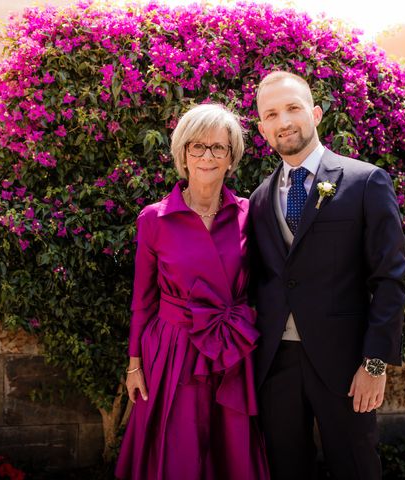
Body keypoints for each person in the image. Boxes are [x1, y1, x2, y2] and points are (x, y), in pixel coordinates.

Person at [249, 71, 405, 480]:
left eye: (293, 108)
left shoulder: (365, 181)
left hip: (345, 365)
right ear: (263, 129)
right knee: (287, 468)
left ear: (315, 113)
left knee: (356, 466)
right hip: (275, 364)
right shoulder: (259, 199)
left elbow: (389, 279)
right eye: (272, 114)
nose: (284, 121)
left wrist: (374, 364)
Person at [115, 103, 269, 480]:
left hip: (231, 349)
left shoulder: (249, 213)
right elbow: (142, 299)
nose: (207, 156)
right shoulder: (154, 217)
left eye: (218, 147)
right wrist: (134, 365)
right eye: (197, 147)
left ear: (232, 156)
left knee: (229, 449)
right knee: (177, 450)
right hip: (173, 350)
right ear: (182, 153)